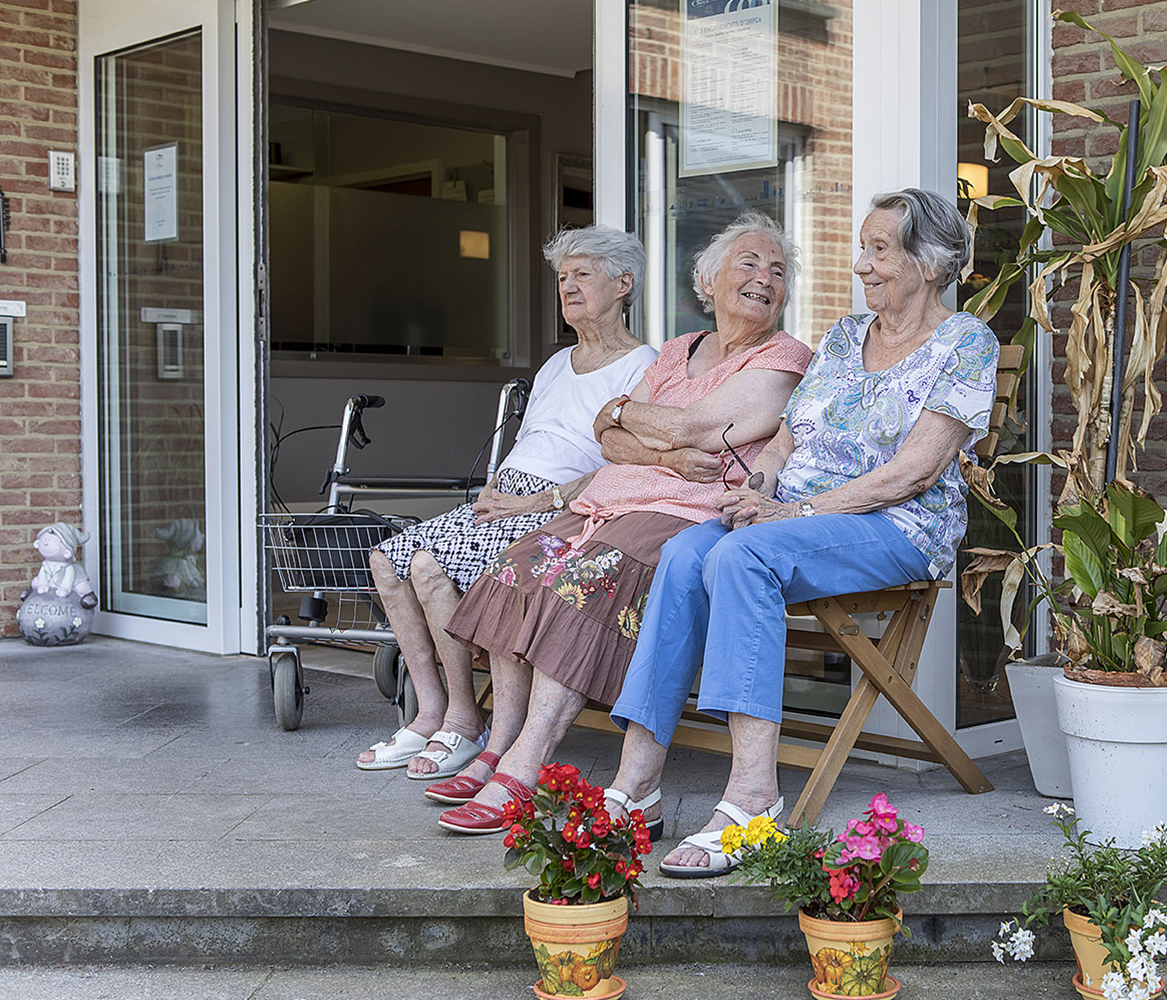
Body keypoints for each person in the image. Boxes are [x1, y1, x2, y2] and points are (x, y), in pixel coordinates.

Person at [601, 188, 999, 876]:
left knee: (743, 558)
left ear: (928, 265)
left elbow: (914, 471)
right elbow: (788, 439)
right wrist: (758, 487)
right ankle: (638, 786)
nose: (861, 265)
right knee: (688, 550)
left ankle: (754, 799)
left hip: (895, 527)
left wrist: (794, 514)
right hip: (794, 521)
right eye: (863, 248)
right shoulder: (846, 337)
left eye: (879, 250)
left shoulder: (965, 342)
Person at [433, 211, 814, 834]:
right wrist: (647, 437)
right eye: (748, 264)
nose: (764, 279)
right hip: (609, 497)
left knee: (578, 584)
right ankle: (497, 744)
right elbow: (607, 434)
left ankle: (522, 770)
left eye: (777, 272)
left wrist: (639, 424)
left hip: (678, 514)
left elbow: (690, 428)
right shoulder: (676, 350)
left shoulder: (782, 356)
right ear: (708, 282)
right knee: (516, 569)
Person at [356, 226, 658, 778]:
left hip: (560, 509)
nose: (567, 287)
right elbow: (533, 441)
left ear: (623, 283)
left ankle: (464, 723)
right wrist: (499, 488)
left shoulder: (644, 365)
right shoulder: (555, 364)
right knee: (387, 559)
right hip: (507, 497)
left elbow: (625, 464)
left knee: (427, 567)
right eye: (562, 277)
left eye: (582, 274)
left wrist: (535, 501)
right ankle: (432, 712)